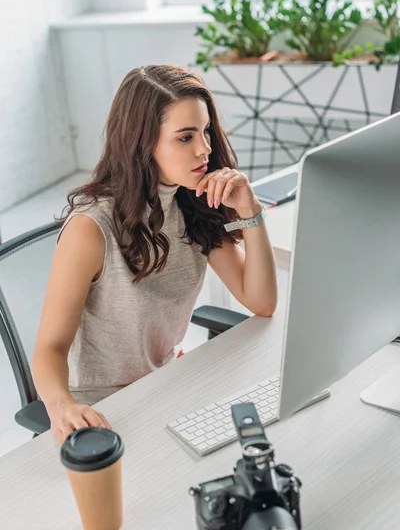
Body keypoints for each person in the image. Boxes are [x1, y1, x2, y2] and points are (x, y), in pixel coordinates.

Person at [31, 65, 277, 445]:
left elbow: (261, 302)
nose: (205, 149)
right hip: (102, 410)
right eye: (185, 137)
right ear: (143, 144)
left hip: (165, 388)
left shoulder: (193, 203)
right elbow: (50, 347)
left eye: (205, 130)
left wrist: (250, 210)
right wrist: (61, 406)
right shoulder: (91, 228)